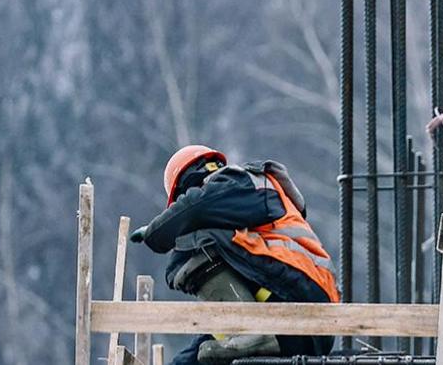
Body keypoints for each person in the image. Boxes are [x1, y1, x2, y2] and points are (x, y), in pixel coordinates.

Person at [130, 145, 339, 364]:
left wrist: (156, 231)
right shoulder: (242, 209)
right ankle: (247, 332)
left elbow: (197, 207)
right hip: (294, 325)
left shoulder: (241, 181)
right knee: (204, 353)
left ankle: (248, 332)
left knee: (193, 251)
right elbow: (208, 341)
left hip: (300, 304)